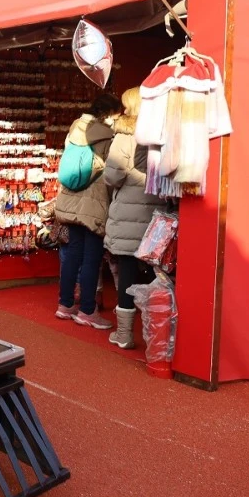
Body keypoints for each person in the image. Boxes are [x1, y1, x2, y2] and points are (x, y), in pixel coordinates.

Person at [54, 92, 124, 329]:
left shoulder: (76, 128)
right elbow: (114, 172)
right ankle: (87, 310)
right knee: (91, 258)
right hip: (94, 203)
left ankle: (64, 305)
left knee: (73, 253)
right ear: (108, 114)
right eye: (117, 114)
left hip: (70, 199)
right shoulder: (109, 137)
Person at [103, 87, 165, 349]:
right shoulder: (161, 133)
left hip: (129, 210)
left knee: (127, 270)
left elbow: (112, 175)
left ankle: (126, 333)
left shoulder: (125, 135)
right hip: (158, 212)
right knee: (159, 272)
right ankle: (158, 332)